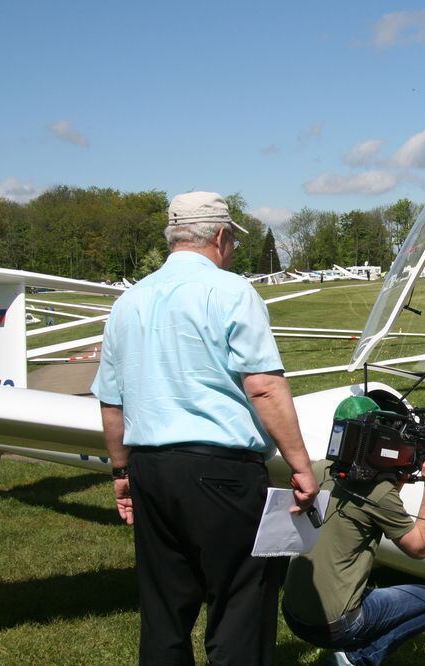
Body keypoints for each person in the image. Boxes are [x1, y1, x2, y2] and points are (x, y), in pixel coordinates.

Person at [91, 191, 320, 666]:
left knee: (163, 617)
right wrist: (300, 466)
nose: (232, 250)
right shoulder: (232, 291)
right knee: (239, 609)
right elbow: (264, 387)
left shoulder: (128, 302)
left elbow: (112, 402)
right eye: (232, 240)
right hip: (222, 471)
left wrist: (120, 472)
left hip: (150, 470)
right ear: (220, 236)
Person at [281, 403, 425, 666]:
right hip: (332, 626)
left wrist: (396, 478)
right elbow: (419, 548)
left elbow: (371, 508)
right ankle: (354, 659)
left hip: (292, 614)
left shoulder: (318, 470)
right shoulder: (378, 492)